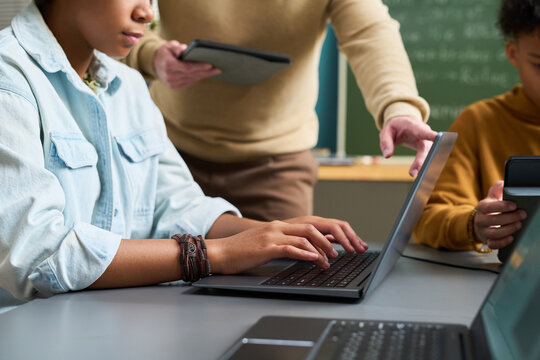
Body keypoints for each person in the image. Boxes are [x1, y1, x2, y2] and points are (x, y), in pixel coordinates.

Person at [0, 0, 367, 302]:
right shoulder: (9, 79)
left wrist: (273, 236)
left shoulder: (127, 84)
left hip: (116, 316)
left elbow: (175, 205)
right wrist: (218, 253)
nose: (148, 13)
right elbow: (38, 255)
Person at [124, 0, 437, 221]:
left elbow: (370, 33)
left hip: (276, 170)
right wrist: (150, 55)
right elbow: (114, 17)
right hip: (169, 156)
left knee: (281, 289)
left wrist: (399, 108)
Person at [413, 0, 540, 253]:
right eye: (539, 65)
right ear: (513, 53)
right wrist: (473, 225)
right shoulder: (479, 121)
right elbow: (427, 219)